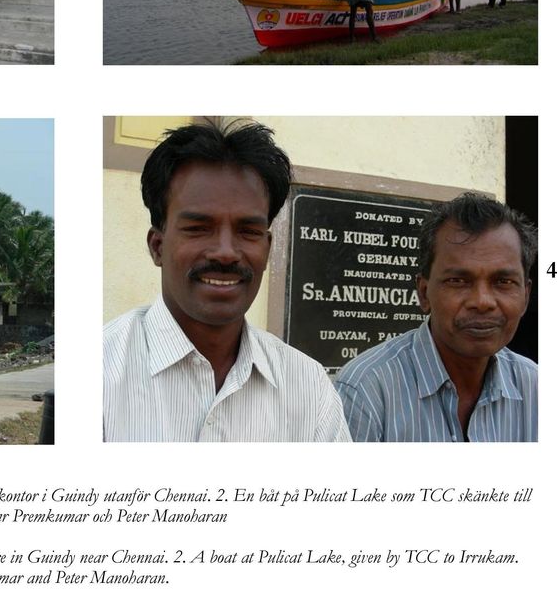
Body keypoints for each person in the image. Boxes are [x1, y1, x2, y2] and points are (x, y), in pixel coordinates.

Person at [102, 122, 351, 442]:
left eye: (248, 231)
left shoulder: (309, 388)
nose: (225, 253)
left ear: (268, 247)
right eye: (198, 228)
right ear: (158, 246)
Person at [335, 193, 537, 442]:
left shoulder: (536, 388)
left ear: (525, 296)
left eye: (503, 282)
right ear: (423, 294)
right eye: (458, 281)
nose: (483, 301)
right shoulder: (366, 390)